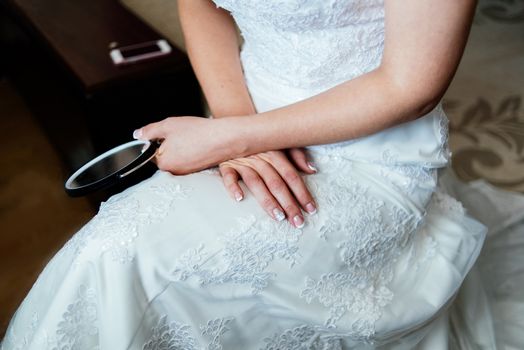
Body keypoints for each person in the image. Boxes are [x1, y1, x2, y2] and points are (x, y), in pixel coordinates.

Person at [2, 0, 524, 348]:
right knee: (111, 253)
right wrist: (233, 121)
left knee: (130, 262)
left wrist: (234, 138)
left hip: (371, 155)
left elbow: (411, 85)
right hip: (247, 111)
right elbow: (200, 2)